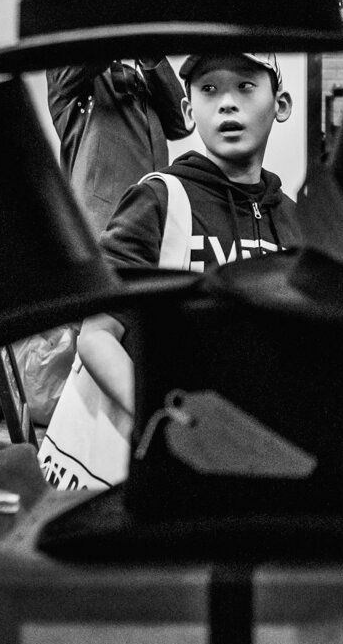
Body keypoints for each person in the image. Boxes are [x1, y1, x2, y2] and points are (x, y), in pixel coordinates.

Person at [37, 53, 303, 490]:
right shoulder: (159, 202)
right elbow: (97, 336)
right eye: (209, 90)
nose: (227, 104)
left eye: (246, 87)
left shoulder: (295, 223)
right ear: (190, 107)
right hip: (153, 458)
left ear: (281, 104)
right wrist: (164, 420)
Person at [46, 59, 192, 233]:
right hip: (103, 228)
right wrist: (116, 38)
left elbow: (183, 124)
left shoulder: (141, 81)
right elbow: (65, 79)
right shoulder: (74, 77)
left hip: (155, 222)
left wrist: (151, 58)